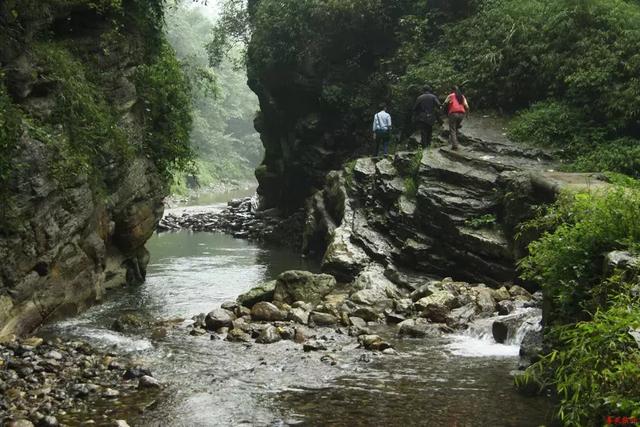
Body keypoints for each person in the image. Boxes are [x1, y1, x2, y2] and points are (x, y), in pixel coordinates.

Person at [444, 86, 469, 150]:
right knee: (456, 128)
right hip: (461, 114)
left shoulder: (451, 95)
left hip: (453, 113)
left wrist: (445, 112)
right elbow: (467, 106)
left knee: (452, 129)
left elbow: (445, 103)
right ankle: (455, 140)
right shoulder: (462, 96)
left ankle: (455, 145)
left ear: (452, 90)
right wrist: (467, 115)